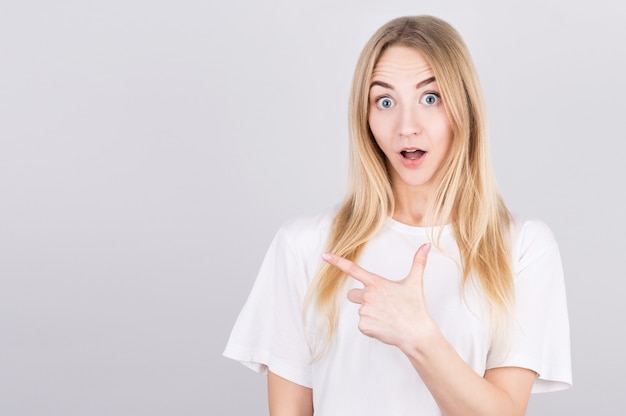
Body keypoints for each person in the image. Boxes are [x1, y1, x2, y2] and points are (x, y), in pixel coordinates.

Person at [223, 15, 571, 415]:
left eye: (430, 98)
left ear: (466, 108)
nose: (407, 127)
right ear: (365, 118)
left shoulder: (521, 247)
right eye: (384, 101)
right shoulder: (305, 245)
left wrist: (417, 335)